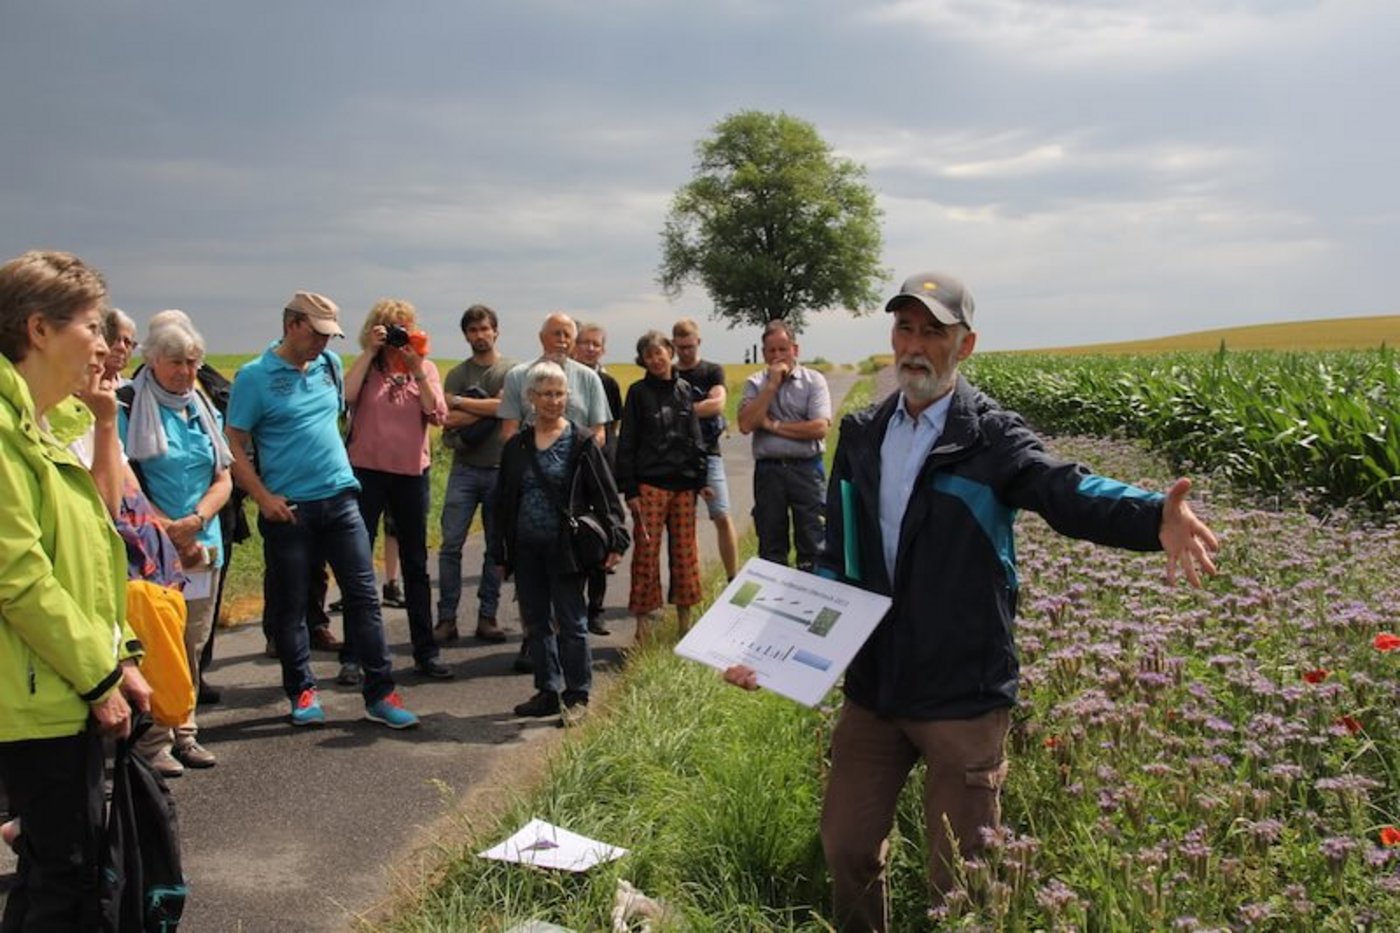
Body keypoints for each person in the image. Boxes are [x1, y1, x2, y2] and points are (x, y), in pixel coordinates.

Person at [725, 271, 1220, 931]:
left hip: (963, 690)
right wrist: (774, 653)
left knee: (958, 879)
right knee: (845, 846)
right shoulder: (865, 433)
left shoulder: (989, 436)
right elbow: (833, 558)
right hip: (875, 687)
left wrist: (1152, 513)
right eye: (906, 328)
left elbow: (1063, 488)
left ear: (967, 344)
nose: (916, 344)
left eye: (934, 331)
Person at [0, 250, 153, 929]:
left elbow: (88, 561)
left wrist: (118, 654)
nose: (102, 342)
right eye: (91, 326)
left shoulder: (47, 425)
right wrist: (98, 676)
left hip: (64, 683)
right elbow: (20, 578)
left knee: (55, 870)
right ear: (38, 329)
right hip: (38, 696)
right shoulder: (7, 436)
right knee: (64, 879)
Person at [225, 290, 420, 729]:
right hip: (289, 508)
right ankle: (303, 690)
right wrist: (262, 497)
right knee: (292, 605)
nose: (324, 343)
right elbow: (232, 443)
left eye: (330, 336)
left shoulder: (329, 366)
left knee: (364, 597)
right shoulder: (254, 377)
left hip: (341, 497)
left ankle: (381, 692)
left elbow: (336, 413)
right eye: (317, 334)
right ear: (292, 325)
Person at [118, 315, 233, 771]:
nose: (185, 372)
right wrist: (168, 530)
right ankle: (153, 744)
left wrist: (198, 519)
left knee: (190, 642)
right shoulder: (128, 405)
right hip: (152, 546)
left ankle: (186, 732)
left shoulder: (201, 406)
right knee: (154, 643)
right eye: (175, 363)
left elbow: (223, 476)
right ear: (152, 360)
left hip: (204, 542)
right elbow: (124, 481)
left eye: (192, 362)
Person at [493, 361, 628, 723]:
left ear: (568, 396)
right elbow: (503, 500)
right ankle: (548, 691)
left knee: (571, 622)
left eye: (559, 393)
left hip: (566, 548)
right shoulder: (517, 446)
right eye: (546, 394)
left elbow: (605, 494)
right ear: (531, 398)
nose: (553, 400)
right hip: (526, 548)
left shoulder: (581, 441)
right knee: (536, 622)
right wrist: (499, 550)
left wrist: (616, 538)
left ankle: (577, 695)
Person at [342, 298, 451, 680]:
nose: (397, 335)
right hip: (365, 473)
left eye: (403, 327)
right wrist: (371, 350)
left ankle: (426, 652)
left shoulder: (426, 368)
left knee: (416, 565)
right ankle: (353, 656)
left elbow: (438, 413)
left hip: (409, 474)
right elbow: (346, 396)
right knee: (358, 563)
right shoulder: (368, 368)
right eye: (390, 328)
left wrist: (417, 367)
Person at [497, 312, 611, 672]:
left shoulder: (589, 380)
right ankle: (546, 681)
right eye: (555, 333)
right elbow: (508, 432)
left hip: (568, 519)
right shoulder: (518, 377)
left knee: (569, 611)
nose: (562, 339)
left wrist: (575, 458)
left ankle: (576, 689)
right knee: (534, 609)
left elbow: (599, 433)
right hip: (529, 518)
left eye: (568, 334)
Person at [614, 330, 709, 644]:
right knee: (646, 555)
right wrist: (630, 490)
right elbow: (626, 442)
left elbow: (696, 437)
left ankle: (685, 625)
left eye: (660, 352)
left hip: (683, 486)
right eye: (648, 355)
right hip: (649, 485)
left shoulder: (684, 389)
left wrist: (701, 479)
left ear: (670, 352)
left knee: (685, 555)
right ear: (643, 360)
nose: (656, 359)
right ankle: (642, 630)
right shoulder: (638, 392)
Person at [435, 304, 514, 645]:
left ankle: (487, 616)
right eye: (473, 330)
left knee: (495, 548)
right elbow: (445, 420)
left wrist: (461, 403)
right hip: (464, 470)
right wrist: (489, 410)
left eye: (485, 328)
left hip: (500, 469)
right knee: (450, 545)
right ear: (465, 335)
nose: (479, 335)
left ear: (496, 331)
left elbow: (505, 408)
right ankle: (447, 619)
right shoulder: (456, 374)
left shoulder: (511, 371)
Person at [737, 319, 831, 572]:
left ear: (795, 350)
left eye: (783, 349)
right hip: (770, 473)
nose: (778, 356)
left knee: (813, 543)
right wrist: (771, 386)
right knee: (771, 546)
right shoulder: (755, 383)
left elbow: (819, 428)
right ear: (764, 353)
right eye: (771, 350)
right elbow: (746, 424)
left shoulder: (814, 381)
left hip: (806, 470)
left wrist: (772, 426)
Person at [672, 317, 739, 581]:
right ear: (674, 345)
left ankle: (733, 577)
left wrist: (682, 411)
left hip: (710, 453)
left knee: (721, 515)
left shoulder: (713, 370)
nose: (686, 352)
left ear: (698, 342)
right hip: (677, 457)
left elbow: (718, 405)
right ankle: (691, 583)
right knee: (684, 524)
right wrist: (700, 407)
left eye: (690, 346)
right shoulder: (670, 372)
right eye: (681, 347)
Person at [571, 322, 624, 636]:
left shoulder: (609, 382)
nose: (590, 348)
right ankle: (573, 609)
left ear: (603, 349)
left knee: (600, 538)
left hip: (600, 465)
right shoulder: (565, 378)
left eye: (596, 344)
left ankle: (597, 610)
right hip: (570, 469)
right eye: (585, 343)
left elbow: (611, 426)